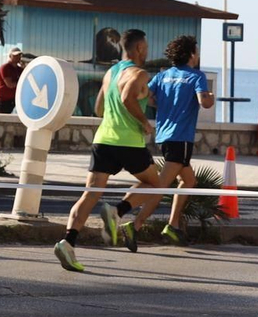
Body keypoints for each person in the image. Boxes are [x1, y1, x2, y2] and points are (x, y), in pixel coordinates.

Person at [52, 30, 167, 272]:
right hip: (129, 143)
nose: (146, 52)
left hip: (103, 140)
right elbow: (127, 98)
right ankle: (118, 211)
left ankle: (67, 242)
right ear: (139, 49)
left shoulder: (110, 74)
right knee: (154, 184)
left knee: (90, 194)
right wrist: (144, 122)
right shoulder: (139, 73)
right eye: (145, 47)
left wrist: (117, 114)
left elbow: (99, 108)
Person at [130, 35, 215, 244]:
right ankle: (135, 224)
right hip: (181, 138)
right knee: (161, 186)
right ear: (191, 54)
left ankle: (173, 224)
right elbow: (203, 102)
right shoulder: (197, 76)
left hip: (165, 136)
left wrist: (165, 106)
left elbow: (147, 96)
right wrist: (211, 96)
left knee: (189, 180)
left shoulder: (163, 76)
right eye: (197, 51)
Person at [0, 46, 24, 114]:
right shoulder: (5, 67)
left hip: (14, 98)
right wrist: (20, 83)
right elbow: (10, 84)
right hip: (4, 99)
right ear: (10, 56)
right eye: (15, 55)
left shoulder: (19, 69)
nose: (18, 57)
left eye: (19, 55)